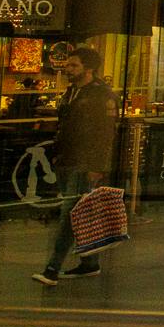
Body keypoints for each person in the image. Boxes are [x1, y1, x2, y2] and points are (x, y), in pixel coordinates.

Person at [32, 46, 118, 287]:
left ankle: (52, 268)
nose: (68, 69)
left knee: (69, 215)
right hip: (67, 159)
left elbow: (105, 133)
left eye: (74, 65)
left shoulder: (102, 95)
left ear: (88, 69)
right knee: (83, 212)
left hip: (84, 161)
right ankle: (90, 263)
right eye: (68, 65)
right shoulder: (72, 92)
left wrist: (97, 165)